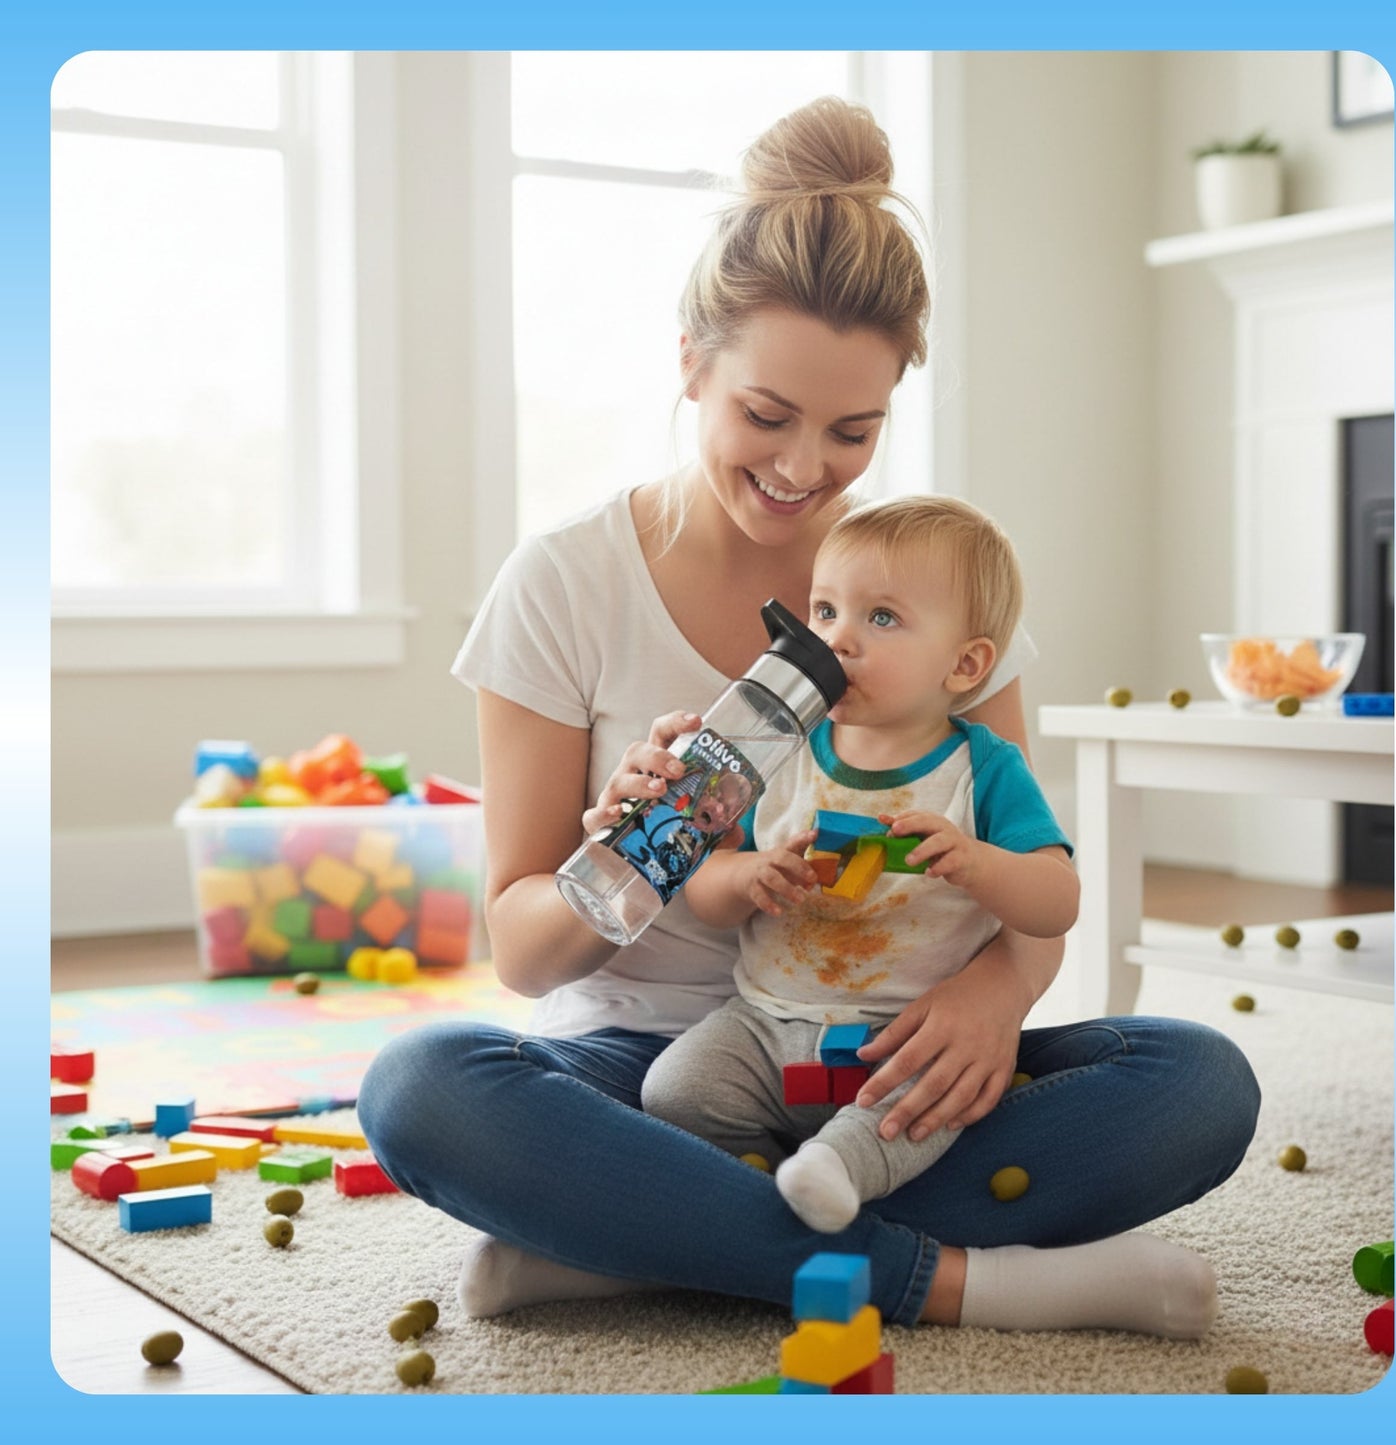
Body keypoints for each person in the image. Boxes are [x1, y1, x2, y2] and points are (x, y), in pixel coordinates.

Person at [358, 95, 1259, 1338]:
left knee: (1194, 1082)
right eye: (766, 416)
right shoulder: (562, 581)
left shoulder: (939, 594)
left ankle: (638, 1239)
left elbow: (1025, 878)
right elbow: (522, 952)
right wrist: (617, 858)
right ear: (690, 360)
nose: (802, 470)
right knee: (423, 1088)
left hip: (883, 1070)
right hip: (644, 1072)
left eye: (854, 430)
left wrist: (997, 995)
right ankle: (948, 1282)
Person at [641, 496, 1080, 1237]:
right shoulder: (776, 749)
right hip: (762, 1023)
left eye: (880, 618)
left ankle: (834, 1171)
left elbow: (1056, 901)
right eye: (823, 611)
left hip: (905, 1039)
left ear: (965, 663)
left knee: (933, 1104)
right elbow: (704, 890)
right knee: (674, 1092)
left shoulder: (983, 769)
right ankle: (768, 1192)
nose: (837, 640)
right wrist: (744, 878)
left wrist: (978, 864)